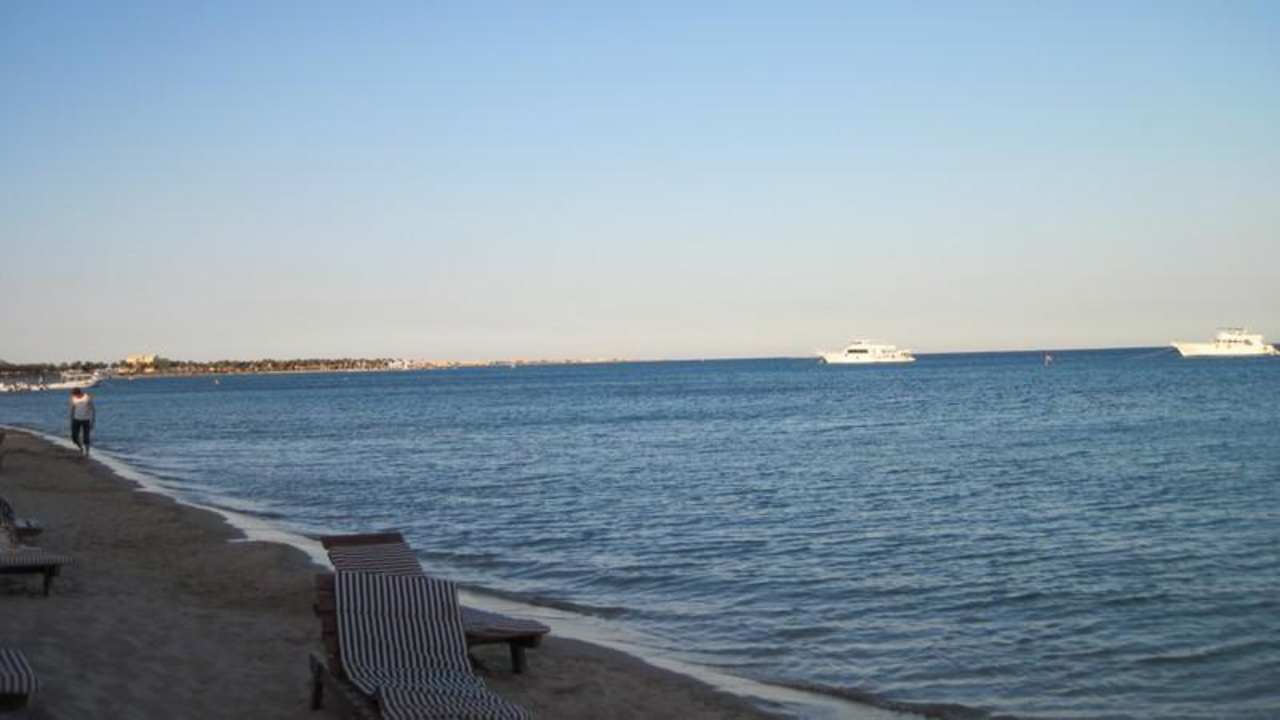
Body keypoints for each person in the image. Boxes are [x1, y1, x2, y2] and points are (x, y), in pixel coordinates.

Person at [69, 387, 96, 457]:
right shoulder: (73, 398)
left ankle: (87, 453)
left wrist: (93, 421)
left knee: (86, 437)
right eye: (74, 395)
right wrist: (71, 419)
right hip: (76, 419)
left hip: (86, 420)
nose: (75, 396)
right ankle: (81, 447)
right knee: (74, 437)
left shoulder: (87, 397)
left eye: (75, 394)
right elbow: (72, 409)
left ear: (79, 393)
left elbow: (93, 409)